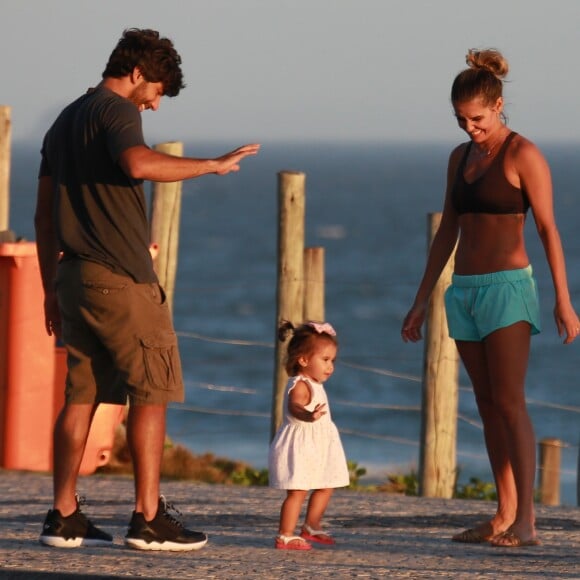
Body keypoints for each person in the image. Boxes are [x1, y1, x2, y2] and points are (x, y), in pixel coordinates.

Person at [34, 28, 260, 551]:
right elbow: (138, 163)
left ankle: (63, 514)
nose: (156, 104)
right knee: (152, 391)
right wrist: (212, 164)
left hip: (75, 277)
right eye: (157, 90)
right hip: (121, 278)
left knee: (81, 395)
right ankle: (149, 518)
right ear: (137, 73)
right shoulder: (116, 112)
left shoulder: (64, 120)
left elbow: (44, 216)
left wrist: (50, 287)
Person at [401, 48, 579, 549]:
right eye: (461, 120)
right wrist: (421, 299)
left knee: (509, 402)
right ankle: (502, 513)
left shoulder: (525, 154)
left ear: (498, 105)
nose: (469, 128)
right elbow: (447, 231)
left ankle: (527, 522)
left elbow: (549, 230)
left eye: (477, 118)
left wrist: (563, 300)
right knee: (484, 402)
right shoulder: (459, 159)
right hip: (465, 291)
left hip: (508, 289)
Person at [268, 321, 350, 551]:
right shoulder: (301, 384)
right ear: (303, 360)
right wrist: (308, 415)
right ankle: (285, 534)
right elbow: (294, 407)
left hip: (320, 444)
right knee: (298, 491)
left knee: (327, 484)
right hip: (301, 445)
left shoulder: (315, 383)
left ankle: (311, 525)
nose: (330, 366)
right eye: (325, 360)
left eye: (332, 360)